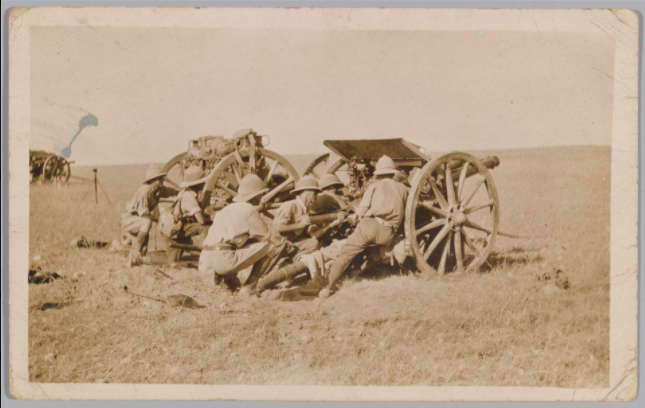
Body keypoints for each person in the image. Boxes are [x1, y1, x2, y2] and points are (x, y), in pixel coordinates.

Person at [319, 155, 409, 298]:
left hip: (370, 227)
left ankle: (327, 288)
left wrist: (356, 217)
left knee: (345, 254)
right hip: (389, 233)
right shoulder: (403, 188)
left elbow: (361, 210)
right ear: (393, 173)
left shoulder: (374, 186)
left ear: (378, 174)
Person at [198, 174, 284, 293]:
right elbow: (266, 238)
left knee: (234, 244)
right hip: (223, 259)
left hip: (205, 257)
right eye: (262, 194)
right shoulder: (250, 210)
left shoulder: (226, 209)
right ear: (256, 195)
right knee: (270, 247)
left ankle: (218, 276)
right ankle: (248, 288)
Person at [120, 164, 167, 267]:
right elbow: (144, 215)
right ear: (153, 180)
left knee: (143, 247)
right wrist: (159, 218)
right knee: (146, 223)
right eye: (159, 179)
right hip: (129, 219)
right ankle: (135, 252)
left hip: (138, 219)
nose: (162, 180)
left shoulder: (158, 190)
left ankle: (137, 257)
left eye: (162, 178)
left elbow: (172, 192)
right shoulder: (144, 192)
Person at [163, 167, 210, 262]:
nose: (204, 184)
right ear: (197, 184)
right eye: (202, 182)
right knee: (205, 227)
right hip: (175, 231)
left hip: (173, 229)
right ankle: (205, 258)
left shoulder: (185, 193)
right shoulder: (189, 197)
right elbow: (201, 221)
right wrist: (210, 220)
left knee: (174, 259)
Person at [272, 175, 322, 254]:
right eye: (315, 192)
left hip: (291, 242)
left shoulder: (305, 209)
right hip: (279, 244)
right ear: (307, 192)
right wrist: (299, 225)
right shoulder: (290, 205)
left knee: (314, 243)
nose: (316, 195)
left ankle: (294, 260)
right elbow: (277, 227)